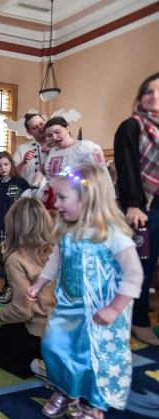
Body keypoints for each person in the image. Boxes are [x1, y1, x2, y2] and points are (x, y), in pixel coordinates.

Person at [26, 164, 143, 419]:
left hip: (100, 309)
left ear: (88, 198)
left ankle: (93, 403)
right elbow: (56, 261)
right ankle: (64, 388)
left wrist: (114, 308)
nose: (56, 203)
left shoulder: (111, 233)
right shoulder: (66, 229)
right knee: (53, 345)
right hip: (68, 305)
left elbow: (134, 275)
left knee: (93, 358)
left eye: (63, 197)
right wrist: (39, 283)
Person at [0, 197, 56, 379]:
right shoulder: (54, 249)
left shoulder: (17, 259)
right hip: (66, 331)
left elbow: (23, 312)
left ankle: (35, 366)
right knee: (7, 330)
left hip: (41, 336)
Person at [113, 72, 159, 346]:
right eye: (148, 91)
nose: (153, 95)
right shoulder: (131, 127)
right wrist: (133, 204)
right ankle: (138, 321)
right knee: (139, 269)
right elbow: (127, 168)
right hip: (142, 211)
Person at [0, 151, 30, 304]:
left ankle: (8, 289)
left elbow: (26, 205)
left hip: (14, 227)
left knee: (10, 259)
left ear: (11, 164)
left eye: (5, 164)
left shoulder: (21, 182)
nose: (3, 168)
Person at [41, 117, 113, 208]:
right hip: (54, 202)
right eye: (50, 135)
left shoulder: (86, 147)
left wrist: (108, 201)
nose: (54, 137)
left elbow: (103, 175)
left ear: (67, 128)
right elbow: (50, 181)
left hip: (81, 201)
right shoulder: (52, 152)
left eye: (57, 132)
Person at [14, 113, 52, 195]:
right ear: (29, 132)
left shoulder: (57, 144)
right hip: (29, 196)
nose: (40, 128)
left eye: (41, 124)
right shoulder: (22, 148)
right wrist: (23, 162)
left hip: (54, 195)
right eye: (35, 127)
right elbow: (14, 175)